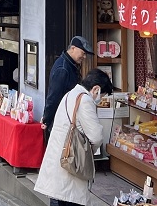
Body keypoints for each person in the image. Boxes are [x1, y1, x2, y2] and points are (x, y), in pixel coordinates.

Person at [34, 69, 114, 206]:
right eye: (103, 95)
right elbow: (96, 136)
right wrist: (87, 152)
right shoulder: (85, 100)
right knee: (69, 199)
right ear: (96, 89)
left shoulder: (70, 94)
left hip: (58, 163)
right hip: (71, 166)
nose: (100, 99)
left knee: (57, 200)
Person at [41, 36, 92, 144]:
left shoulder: (69, 64)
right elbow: (54, 97)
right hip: (60, 120)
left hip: (65, 117)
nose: (84, 57)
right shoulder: (63, 68)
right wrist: (47, 119)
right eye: (83, 53)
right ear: (73, 48)